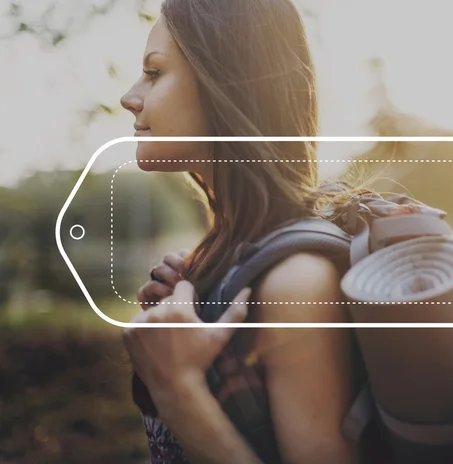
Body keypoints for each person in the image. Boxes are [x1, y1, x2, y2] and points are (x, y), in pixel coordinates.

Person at [119, 0, 366, 462]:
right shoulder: (228, 259)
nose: (130, 97)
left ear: (224, 83)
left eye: (154, 73)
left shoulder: (297, 281)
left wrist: (177, 390)